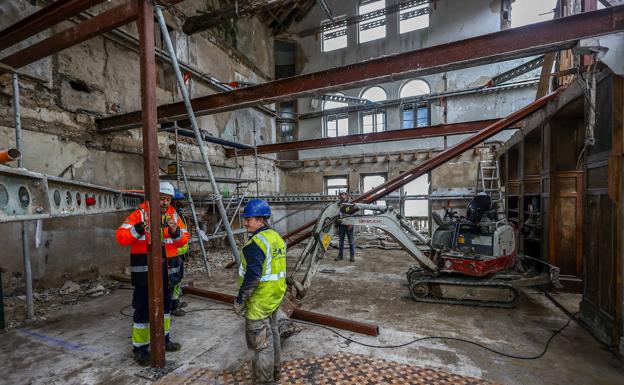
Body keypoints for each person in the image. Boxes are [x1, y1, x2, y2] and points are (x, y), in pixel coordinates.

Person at [116, 181, 189, 366]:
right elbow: (121, 237)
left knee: (165, 308)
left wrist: (175, 231)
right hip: (145, 273)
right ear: (153, 197)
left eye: (168, 199)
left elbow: (184, 240)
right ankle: (140, 348)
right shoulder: (140, 214)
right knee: (142, 309)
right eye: (162, 198)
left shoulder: (173, 215)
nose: (165, 202)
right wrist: (138, 228)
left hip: (167, 271)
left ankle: (163, 339)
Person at [233, 199, 287, 385]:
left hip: (259, 301)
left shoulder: (255, 244)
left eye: (249, 219)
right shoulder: (276, 237)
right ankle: (276, 372)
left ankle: (265, 381)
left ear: (261, 220)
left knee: (261, 346)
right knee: (273, 334)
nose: (246, 223)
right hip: (274, 296)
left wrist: (240, 300)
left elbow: (253, 277)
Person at [170, 189, 188, 317]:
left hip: (181, 252)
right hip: (174, 254)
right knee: (174, 280)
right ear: (174, 201)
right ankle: (174, 306)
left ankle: (176, 301)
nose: (183, 202)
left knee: (178, 279)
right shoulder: (171, 216)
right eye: (181, 199)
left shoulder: (178, 214)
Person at [335, 191, 355, 262]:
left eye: (343, 194)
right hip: (341, 225)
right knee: (341, 241)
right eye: (341, 194)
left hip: (349, 224)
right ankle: (340, 256)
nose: (342, 196)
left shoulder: (350, 203)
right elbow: (337, 215)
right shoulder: (338, 204)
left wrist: (351, 223)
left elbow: (353, 214)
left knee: (351, 241)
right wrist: (336, 226)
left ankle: (352, 257)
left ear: (347, 195)